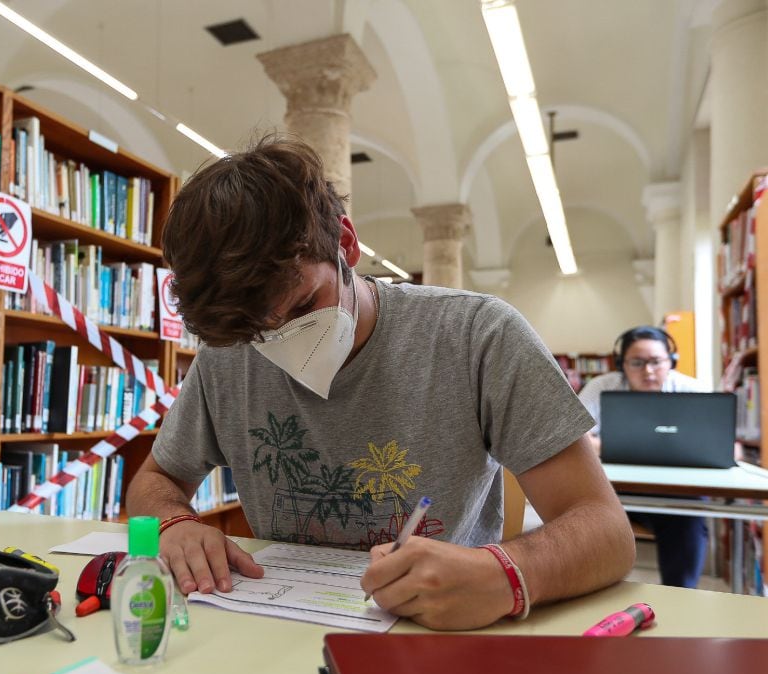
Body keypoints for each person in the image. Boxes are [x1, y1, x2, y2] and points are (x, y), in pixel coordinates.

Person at [125, 136, 635, 631]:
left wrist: (507, 571)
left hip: (440, 628)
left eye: (304, 306)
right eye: (260, 331)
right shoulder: (228, 352)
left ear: (345, 244)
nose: (284, 339)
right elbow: (155, 481)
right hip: (284, 624)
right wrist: (175, 525)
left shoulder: (478, 335)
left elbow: (606, 532)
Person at [577, 326, 709, 588]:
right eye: (637, 363)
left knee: (688, 518)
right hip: (614, 491)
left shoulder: (690, 389)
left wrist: (614, 444)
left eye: (656, 362)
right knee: (582, 515)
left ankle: (680, 595)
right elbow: (576, 439)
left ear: (671, 361)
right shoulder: (602, 387)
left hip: (677, 493)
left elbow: (720, 443)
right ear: (621, 364)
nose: (647, 371)